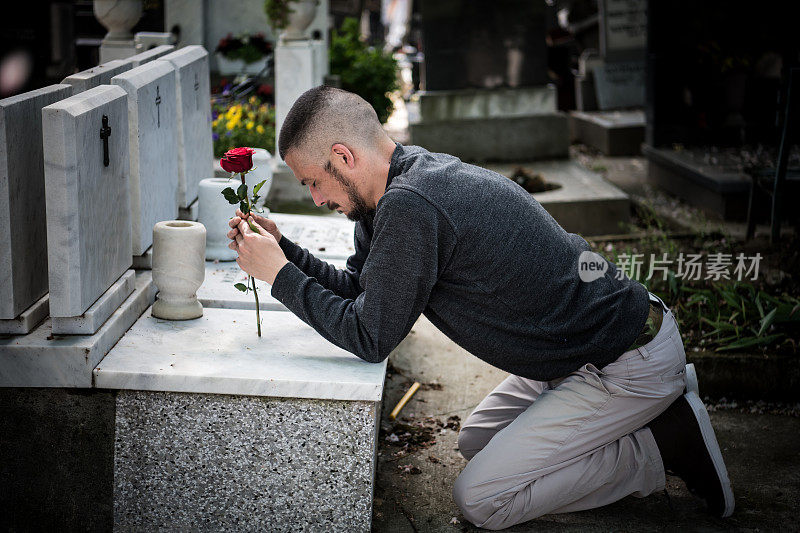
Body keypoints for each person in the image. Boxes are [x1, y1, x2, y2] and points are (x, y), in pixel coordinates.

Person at [226, 86, 734, 529]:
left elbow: (370, 335)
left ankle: (657, 448)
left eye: (314, 181)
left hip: (624, 361)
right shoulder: (389, 193)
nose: (314, 198)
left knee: (482, 499)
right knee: (477, 442)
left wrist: (278, 276)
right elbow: (362, 291)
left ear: (343, 155)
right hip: (571, 356)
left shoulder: (410, 204)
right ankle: (638, 422)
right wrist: (285, 251)